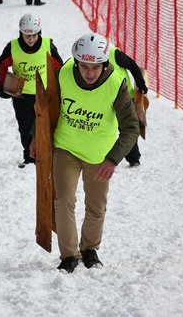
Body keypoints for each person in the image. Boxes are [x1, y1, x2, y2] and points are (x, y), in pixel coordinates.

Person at [29, 33, 139, 273]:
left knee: (96, 205)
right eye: (84, 67)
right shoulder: (63, 73)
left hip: (99, 154)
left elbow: (131, 127)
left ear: (105, 64)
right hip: (66, 148)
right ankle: (69, 255)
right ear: (76, 62)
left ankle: (89, 249)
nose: (90, 73)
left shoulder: (115, 84)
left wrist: (113, 159)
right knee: (64, 201)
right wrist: (36, 136)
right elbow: (45, 104)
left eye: (96, 68)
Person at [0, 13, 63, 167]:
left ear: (39, 33)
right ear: (21, 33)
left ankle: (48, 153)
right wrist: (0, 87)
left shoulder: (47, 45)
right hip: (22, 95)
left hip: (44, 93)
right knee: (26, 126)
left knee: (46, 124)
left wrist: (60, 88)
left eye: (34, 35)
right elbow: (2, 64)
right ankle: (29, 156)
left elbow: (59, 67)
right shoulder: (13, 47)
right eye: (27, 35)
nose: (31, 39)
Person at [108, 46, 148, 167]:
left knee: (128, 129)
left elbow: (132, 65)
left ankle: (133, 158)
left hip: (124, 99)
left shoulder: (114, 54)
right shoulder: (85, 59)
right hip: (103, 100)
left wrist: (141, 84)